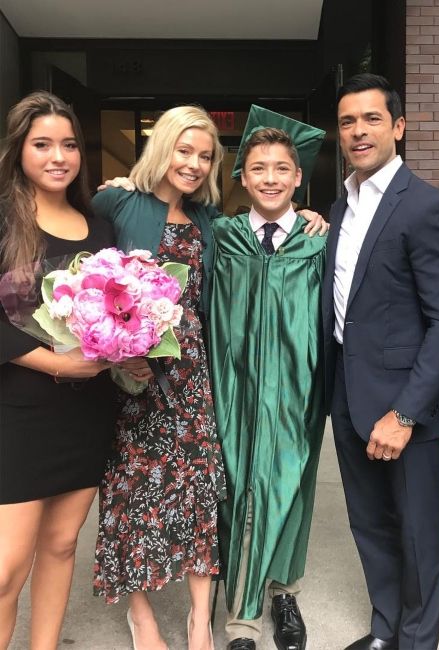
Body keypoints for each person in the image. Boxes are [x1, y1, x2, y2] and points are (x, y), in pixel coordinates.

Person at [322, 73, 439, 650]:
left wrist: (405, 414)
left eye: (372, 119)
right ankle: (385, 631)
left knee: (417, 534)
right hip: (348, 396)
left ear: (398, 127)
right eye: (348, 122)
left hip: (405, 406)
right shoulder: (343, 205)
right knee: (371, 526)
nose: (358, 131)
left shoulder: (426, 206)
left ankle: (417, 640)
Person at [91, 105, 228, 650]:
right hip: (134, 377)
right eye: (184, 150)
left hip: (194, 372)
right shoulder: (117, 201)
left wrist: (310, 218)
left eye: (205, 155)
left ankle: (199, 617)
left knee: (198, 485)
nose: (193, 164)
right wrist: (114, 351)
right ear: (162, 146)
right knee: (129, 490)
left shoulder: (209, 218)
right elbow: (83, 279)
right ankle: (140, 611)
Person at [0, 92, 116, 649]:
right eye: (42, 144)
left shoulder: (99, 225)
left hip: (87, 414)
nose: (58, 156)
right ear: (19, 150)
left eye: (68, 144)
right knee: (5, 569)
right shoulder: (4, 219)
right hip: (18, 409)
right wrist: (56, 364)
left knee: (63, 544)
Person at [209, 119, 327, 650]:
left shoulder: (317, 242)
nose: (271, 178)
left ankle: (283, 591)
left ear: (298, 177)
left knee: (290, 488)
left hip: (299, 390)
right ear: (243, 177)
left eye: (282, 168)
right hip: (235, 388)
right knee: (238, 490)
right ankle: (242, 617)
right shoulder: (223, 238)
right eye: (259, 168)